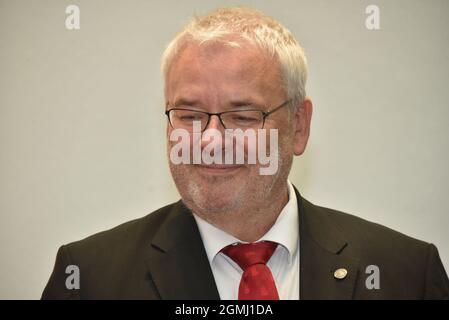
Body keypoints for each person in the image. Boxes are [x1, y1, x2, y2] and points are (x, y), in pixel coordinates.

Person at [42, 6, 449, 300]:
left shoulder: (406, 272)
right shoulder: (89, 277)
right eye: (189, 114)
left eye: (242, 116)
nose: (211, 140)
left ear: (298, 127)